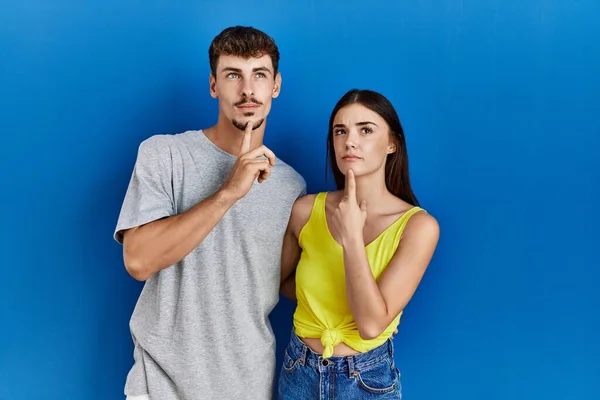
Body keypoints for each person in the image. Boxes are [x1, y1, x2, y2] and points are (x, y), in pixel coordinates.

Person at [113, 26, 306, 400]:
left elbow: (275, 283)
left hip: (248, 386)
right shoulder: (164, 154)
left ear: (276, 85)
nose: (247, 90)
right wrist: (229, 192)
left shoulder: (291, 186)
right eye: (233, 75)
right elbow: (137, 260)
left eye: (259, 75)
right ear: (214, 85)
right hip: (160, 385)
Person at [277, 89, 440, 399]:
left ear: (392, 143)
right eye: (341, 131)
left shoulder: (418, 227)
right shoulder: (304, 211)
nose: (349, 141)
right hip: (298, 371)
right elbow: (280, 285)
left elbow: (370, 325)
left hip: (366, 381)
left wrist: (352, 238)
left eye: (365, 129)